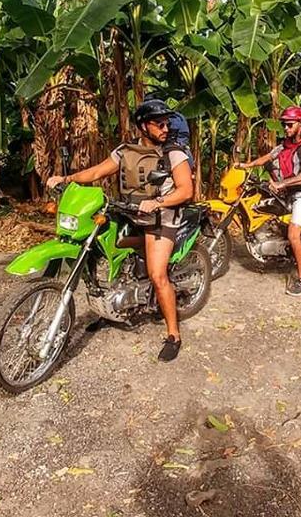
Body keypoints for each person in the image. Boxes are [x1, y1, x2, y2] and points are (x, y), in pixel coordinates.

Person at [46, 98, 194, 361]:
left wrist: (157, 202)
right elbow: (97, 172)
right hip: (129, 211)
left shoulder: (174, 153)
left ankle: (173, 334)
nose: (165, 128)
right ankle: (111, 305)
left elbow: (185, 190)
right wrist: (65, 179)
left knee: (158, 274)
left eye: (167, 122)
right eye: (158, 123)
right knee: (100, 250)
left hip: (163, 215)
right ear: (142, 126)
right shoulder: (126, 151)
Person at [236, 106, 301, 296]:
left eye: (290, 125)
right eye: (284, 125)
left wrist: (282, 184)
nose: (286, 128)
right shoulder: (287, 143)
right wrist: (245, 165)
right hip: (290, 192)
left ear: (300, 124)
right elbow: (268, 157)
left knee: (293, 235)